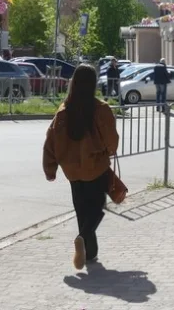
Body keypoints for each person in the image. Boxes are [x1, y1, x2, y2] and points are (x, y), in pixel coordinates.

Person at [43, 64, 119, 270]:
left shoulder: (63, 111)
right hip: (95, 166)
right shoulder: (101, 109)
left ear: (73, 83)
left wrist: (50, 169)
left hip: (71, 170)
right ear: (93, 83)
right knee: (97, 206)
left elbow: (50, 142)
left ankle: (90, 253)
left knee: (82, 210)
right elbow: (111, 139)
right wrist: (110, 150)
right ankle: (82, 238)